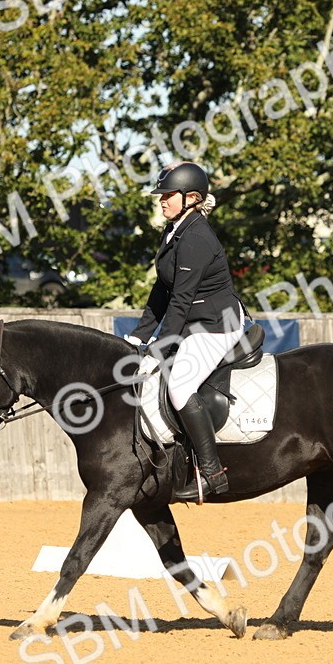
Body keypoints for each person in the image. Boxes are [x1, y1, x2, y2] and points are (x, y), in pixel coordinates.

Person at [124, 161, 246, 500]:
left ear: (191, 197)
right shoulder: (174, 229)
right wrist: (139, 335)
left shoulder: (196, 238)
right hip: (194, 321)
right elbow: (162, 290)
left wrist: (158, 349)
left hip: (215, 326)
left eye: (167, 195)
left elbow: (180, 300)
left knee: (179, 386)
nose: (161, 200)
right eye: (161, 195)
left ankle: (212, 472)